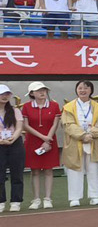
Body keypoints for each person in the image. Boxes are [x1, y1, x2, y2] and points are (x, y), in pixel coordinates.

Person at [61, 80, 98, 207]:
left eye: (86, 88)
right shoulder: (68, 107)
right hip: (75, 142)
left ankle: (95, 196)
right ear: (76, 90)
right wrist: (83, 135)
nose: (82, 90)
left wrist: (91, 134)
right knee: (75, 169)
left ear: (91, 90)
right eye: (80, 88)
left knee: (93, 169)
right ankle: (75, 198)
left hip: (92, 141)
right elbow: (68, 125)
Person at [21, 81, 60, 209]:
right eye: (38, 90)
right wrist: (42, 137)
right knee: (35, 171)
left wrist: (47, 140)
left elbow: (55, 124)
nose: (42, 92)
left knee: (49, 170)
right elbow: (25, 125)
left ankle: (48, 198)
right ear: (32, 93)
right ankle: (36, 199)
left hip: (50, 141)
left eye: (44, 90)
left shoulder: (54, 105)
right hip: (33, 141)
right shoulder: (26, 106)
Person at [0, 85, 23, 213]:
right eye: (2, 94)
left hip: (15, 143)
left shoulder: (15, 110)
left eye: (7, 94)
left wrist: (13, 138)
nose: (4, 96)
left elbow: (19, 127)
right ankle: (1, 201)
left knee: (17, 173)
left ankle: (16, 201)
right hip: (0, 144)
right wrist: (1, 141)